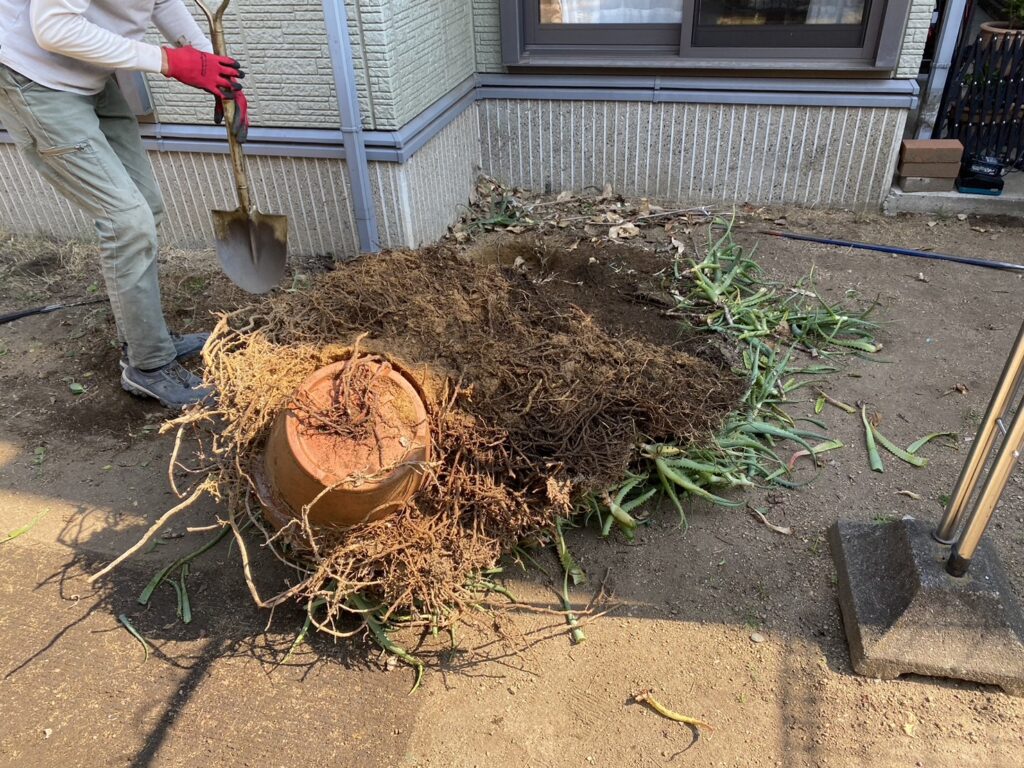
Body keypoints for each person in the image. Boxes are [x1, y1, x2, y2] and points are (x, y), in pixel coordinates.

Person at [0, 0, 250, 408]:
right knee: (126, 221)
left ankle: (145, 338)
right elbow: (54, 28)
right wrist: (168, 60)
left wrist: (214, 67)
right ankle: (147, 366)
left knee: (146, 209)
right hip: (34, 76)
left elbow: (162, 2)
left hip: (91, 72)